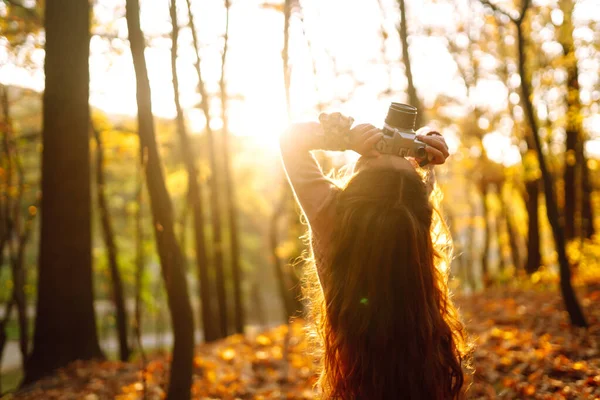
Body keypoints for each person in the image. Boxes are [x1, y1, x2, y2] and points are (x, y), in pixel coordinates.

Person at [279, 112, 470, 399]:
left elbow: (289, 139)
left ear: (360, 178)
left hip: (356, 384)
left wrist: (346, 138)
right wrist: (430, 138)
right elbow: (417, 183)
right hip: (423, 379)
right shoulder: (413, 222)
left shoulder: (333, 218)